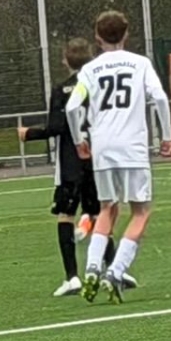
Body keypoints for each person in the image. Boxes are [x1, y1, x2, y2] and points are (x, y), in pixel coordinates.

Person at [64, 12, 171, 302]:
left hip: (103, 147)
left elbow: (72, 107)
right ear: (126, 34)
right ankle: (115, 272)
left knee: (107, 209)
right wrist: (167, 136)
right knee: (140, 212)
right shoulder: (140, 64)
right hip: (132, 146)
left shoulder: (90, 69)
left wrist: (79, 140)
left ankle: (91, 269)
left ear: (97, 37)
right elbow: (160, 97)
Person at [21, 37, 100, 296]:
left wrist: (29, 133)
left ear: (65, 60)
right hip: (97, 158)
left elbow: (56, 127)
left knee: (65, 214)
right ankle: (113, 270)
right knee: (99, 214)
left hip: (70, 161)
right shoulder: (99, 85)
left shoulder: (62, 90)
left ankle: (72, 277)